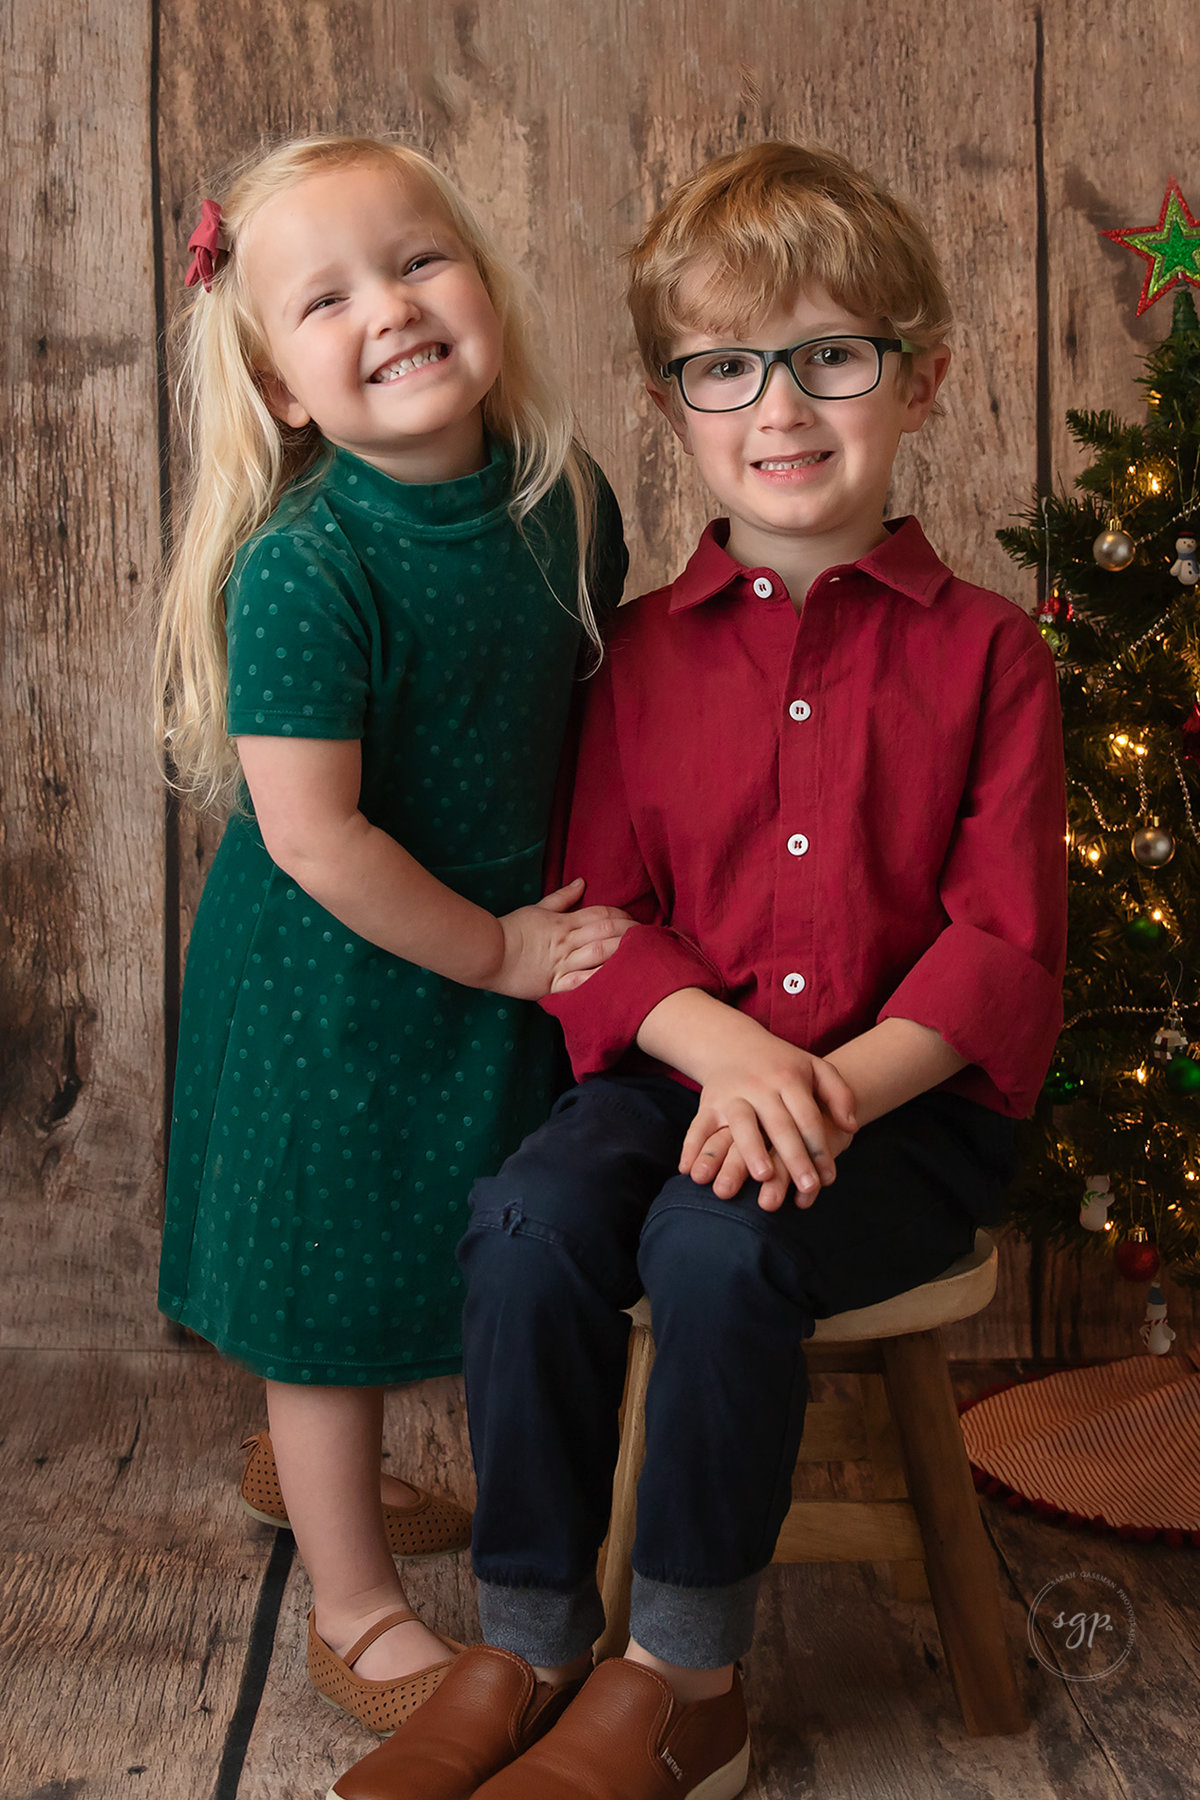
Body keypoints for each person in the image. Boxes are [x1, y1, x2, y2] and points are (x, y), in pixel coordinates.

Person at [330, 140, 1067, 1800]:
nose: (783, 409)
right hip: (671, 1067)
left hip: (901, 1108)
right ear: (676, 406)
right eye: (728, 367)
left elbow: (1001, 944)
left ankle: (685, 1675)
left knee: (719, 1240)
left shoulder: (992, 658)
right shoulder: (643, 652)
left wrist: (816, 1092)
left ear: (922, 377)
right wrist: (726, 1057)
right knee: (526, 1217)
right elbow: (607, 912)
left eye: (834, 357)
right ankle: (524, 1639)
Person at [153, 133, 629, 1737]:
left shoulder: (569, 499)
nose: (394, 308)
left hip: (500, 946)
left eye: (421, 261)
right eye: (328, 298)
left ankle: (365, 1489)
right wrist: (496, 952)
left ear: (484, 287)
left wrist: (537, 945)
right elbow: (314, 834)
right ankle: (350, 1604)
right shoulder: (308, 570)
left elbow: (589, 722)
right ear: (284, 389)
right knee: (327, 1283)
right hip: (330, 981)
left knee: (475, 1237)